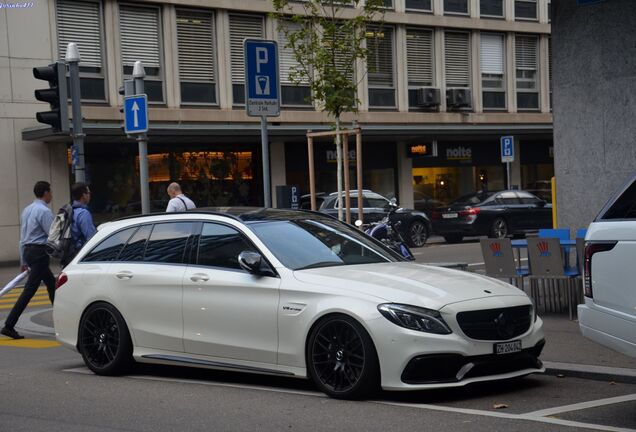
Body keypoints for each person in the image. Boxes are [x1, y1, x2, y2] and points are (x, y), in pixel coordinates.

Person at [1, 181, 56, 339]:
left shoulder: (27, 210)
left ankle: (60, 319)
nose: (51, 195)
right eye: (50, 192)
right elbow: (52, 235)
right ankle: (9, 325)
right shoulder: (44, 211)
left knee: (51, 284)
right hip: (40, 253)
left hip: (29, 252)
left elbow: (22, 238)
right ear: (45, 193)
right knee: (30, 290)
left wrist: (23, 261)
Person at [66, 182, 96, 266]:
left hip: (70, 252)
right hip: (81, 254)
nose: (90, 195)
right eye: (89, 193)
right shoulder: (83, 213)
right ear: (83, 195)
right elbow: (91, 237)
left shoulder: (70, 210)